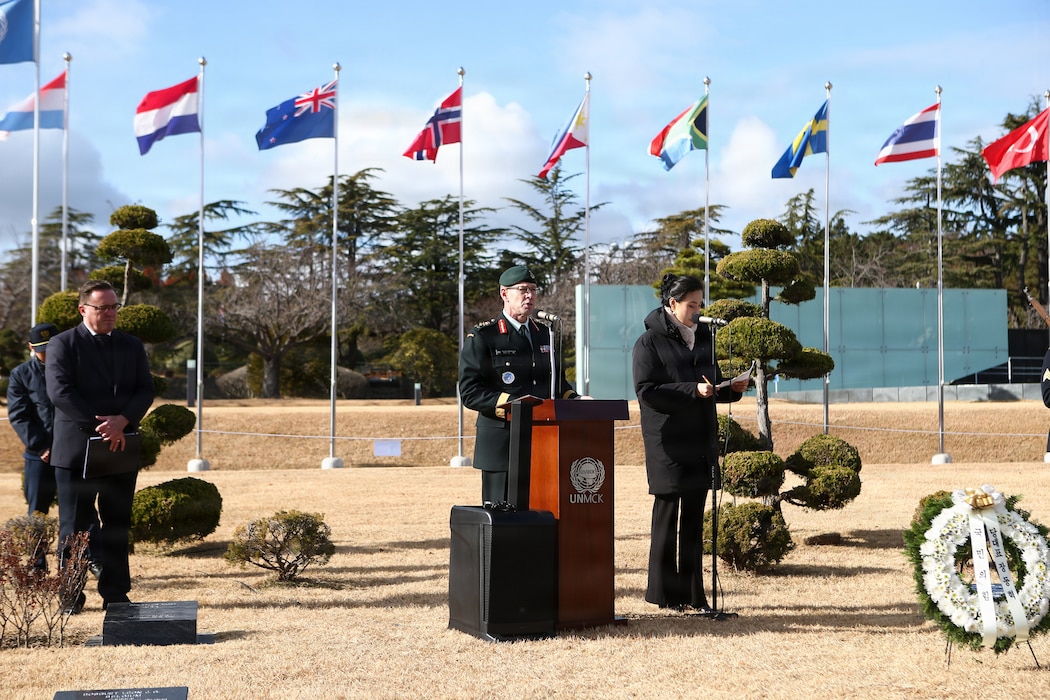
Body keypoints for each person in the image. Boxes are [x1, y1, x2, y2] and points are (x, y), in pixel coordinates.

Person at [632, 273, 747, 612]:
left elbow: (711, 383)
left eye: (700, 304)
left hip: (700, 438)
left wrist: (730, 388)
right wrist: (691, 390)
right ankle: (665, 595)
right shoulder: (648, 342)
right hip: (667, 440)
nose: (697, 311)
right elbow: (647, 392)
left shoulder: (706, 337)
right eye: (691, 305)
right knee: (668, 516)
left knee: (695, 519)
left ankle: (694, 594)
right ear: (672, 304)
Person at [46, 280, 155, 613]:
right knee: (74, 527)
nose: (110, 313)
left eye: (114, 307)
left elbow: (144, 390)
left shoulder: (132, 345)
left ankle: (116, 592)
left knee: (117, 522)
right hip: (77, 451)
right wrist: (102, 426)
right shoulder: (62, 344)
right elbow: (60, 393)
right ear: (83, 310)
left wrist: (122, 420)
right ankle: (70, 595)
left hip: (119, 447)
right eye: (103, 307)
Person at [459, 265, 583, 504]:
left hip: (543, 440)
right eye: (523, 290)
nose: (530, 296)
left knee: (541, 515)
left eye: (534, 290)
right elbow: (470, 391)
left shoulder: (545, 334)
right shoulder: (485, 336)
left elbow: (557, 383)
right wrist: (510, 404)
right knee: (502, 522)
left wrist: (576, 399)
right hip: (502, 444)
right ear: (504, 294)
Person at [7, 322, 59, 519]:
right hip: (39, 455)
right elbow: (20, 414)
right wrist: (41, 447)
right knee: (37, 513)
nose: (48, 354)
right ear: (31, 347)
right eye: (42, 349)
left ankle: (76, 551)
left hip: (71, 452)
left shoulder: (74, 369)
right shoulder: (21, 374)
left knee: (78, 511)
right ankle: (38, 550)